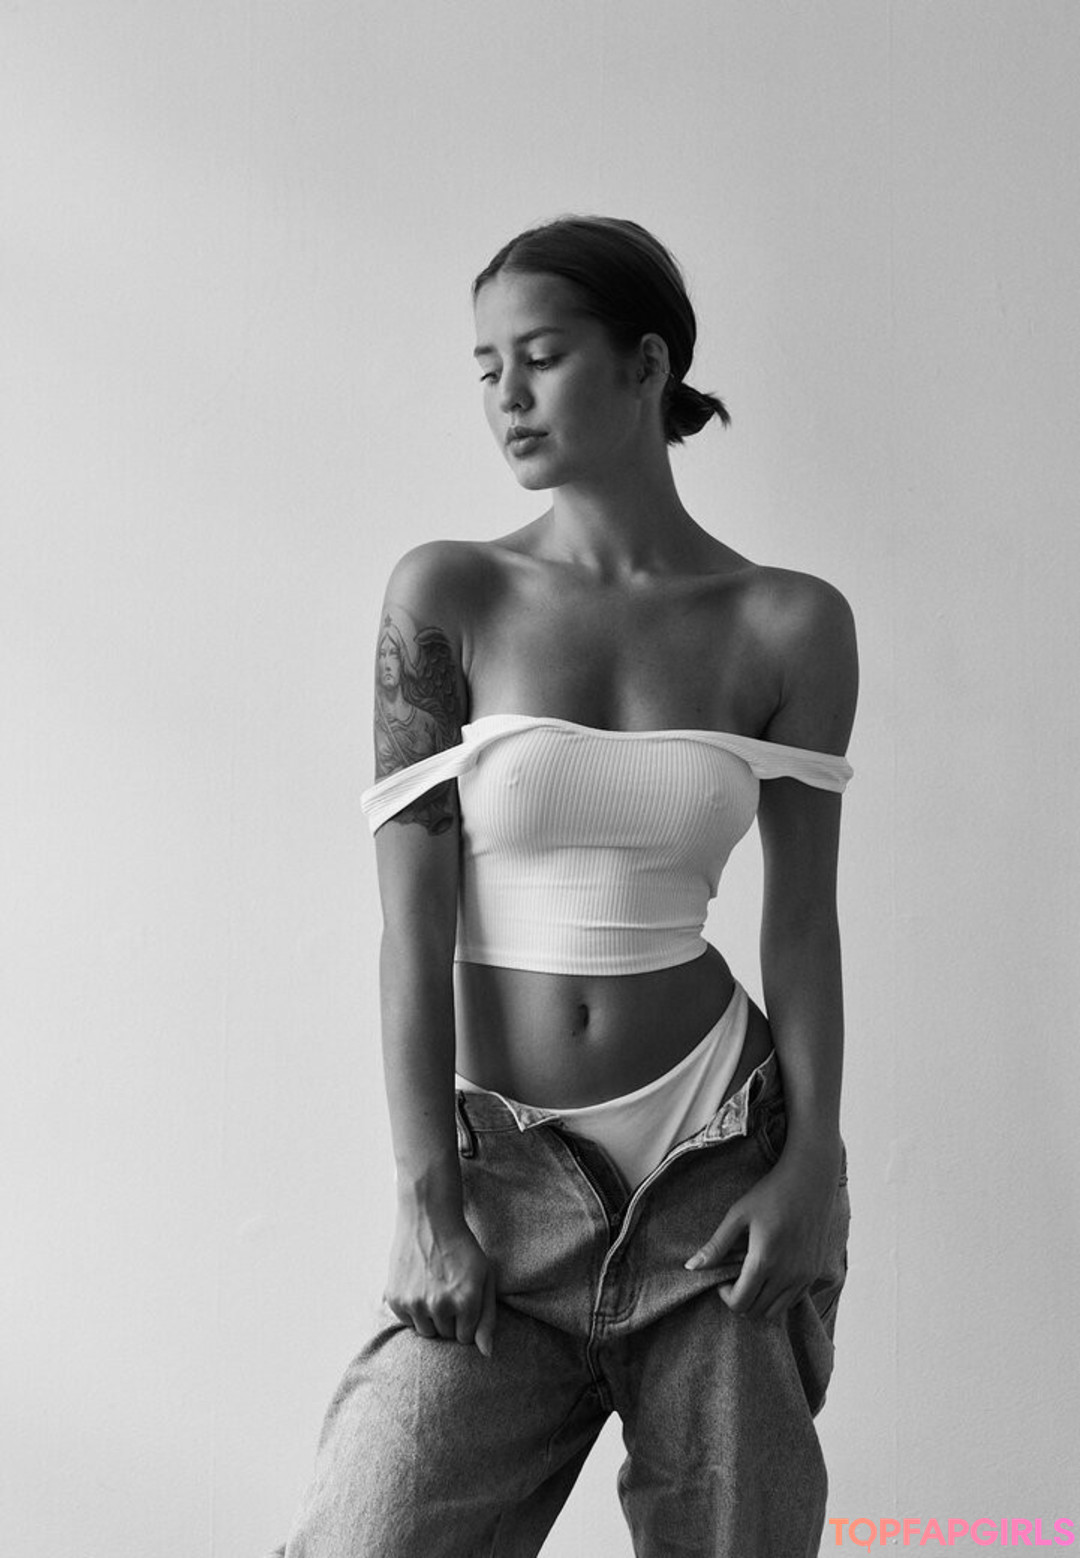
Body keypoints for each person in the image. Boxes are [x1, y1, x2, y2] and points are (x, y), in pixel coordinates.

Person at [277, 215, 857, 1557]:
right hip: (504, 1185)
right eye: (486, 369)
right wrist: (428, 1202)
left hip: (721, 1170)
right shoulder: (447, 594)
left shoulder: (791, 621)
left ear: (647, 364)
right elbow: (410, 925)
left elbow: (803, 920)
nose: (507, 398)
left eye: (540, 358)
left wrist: (815, 1164)